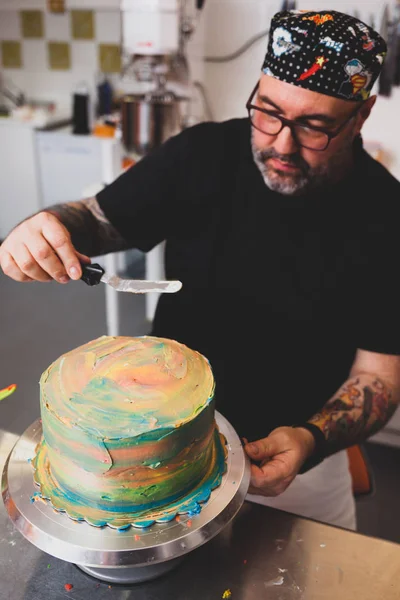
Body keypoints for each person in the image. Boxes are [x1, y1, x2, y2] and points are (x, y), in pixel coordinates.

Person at [1, 9, 400, 531]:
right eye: (267, 112)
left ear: (362, 116)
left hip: (293, 470)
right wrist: (45, 226)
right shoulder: (201, 154)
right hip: (154, 461)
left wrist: (309, 438)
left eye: (314, 126)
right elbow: (97, 220)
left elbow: (378, 377)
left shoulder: (385, 216)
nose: (281, 143)